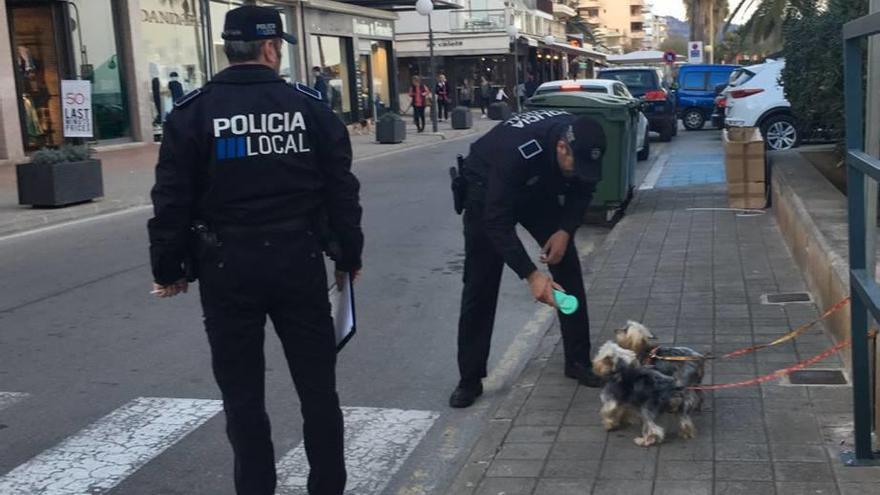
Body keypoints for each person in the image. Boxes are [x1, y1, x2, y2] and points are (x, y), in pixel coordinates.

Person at [147, 6, 363, 494]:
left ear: (230, 48)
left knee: (242, 396)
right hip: (298, 259)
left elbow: (171, 199)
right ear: (270, 48)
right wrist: (348, 256)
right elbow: (340, 190)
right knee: (317, 390)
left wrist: (169, 267)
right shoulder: (310, 106)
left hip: (227, 266)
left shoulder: (193, 111)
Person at [449, 110, 607, 408]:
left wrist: (564, 230)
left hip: (535, 188)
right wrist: (532, 276)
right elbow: (496, 222)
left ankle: (577, 360)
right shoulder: (516, 152)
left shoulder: (584, 139)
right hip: (486, 190)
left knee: (567, 266)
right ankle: (469, 379)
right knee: (480, 284)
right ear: (562, 147)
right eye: (576, 166)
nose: (579, 173)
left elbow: (584, 188)